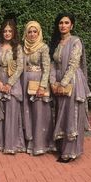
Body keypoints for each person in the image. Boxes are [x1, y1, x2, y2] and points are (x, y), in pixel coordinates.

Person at [50, 12, 91, 163]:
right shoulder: (56, 43)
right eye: (61, 23)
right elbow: (54, 65)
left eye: (66, 23)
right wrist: (53, 82)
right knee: (62, 115)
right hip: (60, 83)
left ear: (72, 25)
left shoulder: (76, 41)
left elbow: (74, 64)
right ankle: (63, 148)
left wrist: (62, 83)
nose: (63, 25)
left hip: (72, 82)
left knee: (71, 116)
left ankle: (70, 152)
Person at [0, 18, 25, 154]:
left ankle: (11, 144)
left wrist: (9, 83)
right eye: (5, 31)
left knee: (12, 112)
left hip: (13, 84)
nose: (7, 33)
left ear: (14, 32)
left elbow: (20, 67)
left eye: (10, 31)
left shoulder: (18, 47)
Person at [22, 21, 55, 155]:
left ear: (39, 32)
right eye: (29, 32)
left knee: (39, 114)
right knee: (27, 113)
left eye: (35, 31)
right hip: (25, 82)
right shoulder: (23, 47)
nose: (32, 34)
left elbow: (46, 68)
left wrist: (42, 86)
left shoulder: (43, 47)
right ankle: (29, 143)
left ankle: (41, 144)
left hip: (38, 84)